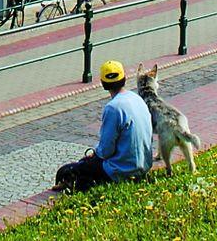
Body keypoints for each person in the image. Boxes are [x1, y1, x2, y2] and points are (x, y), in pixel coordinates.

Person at [53, 60, 153, 191]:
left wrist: (94, 155)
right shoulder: (137, 99)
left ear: (103, 83)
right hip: (144, 164)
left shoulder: (113, 108)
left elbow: (106, 151)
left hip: (123, 170)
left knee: (69, 170)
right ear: (124, 78)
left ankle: (69, 185)